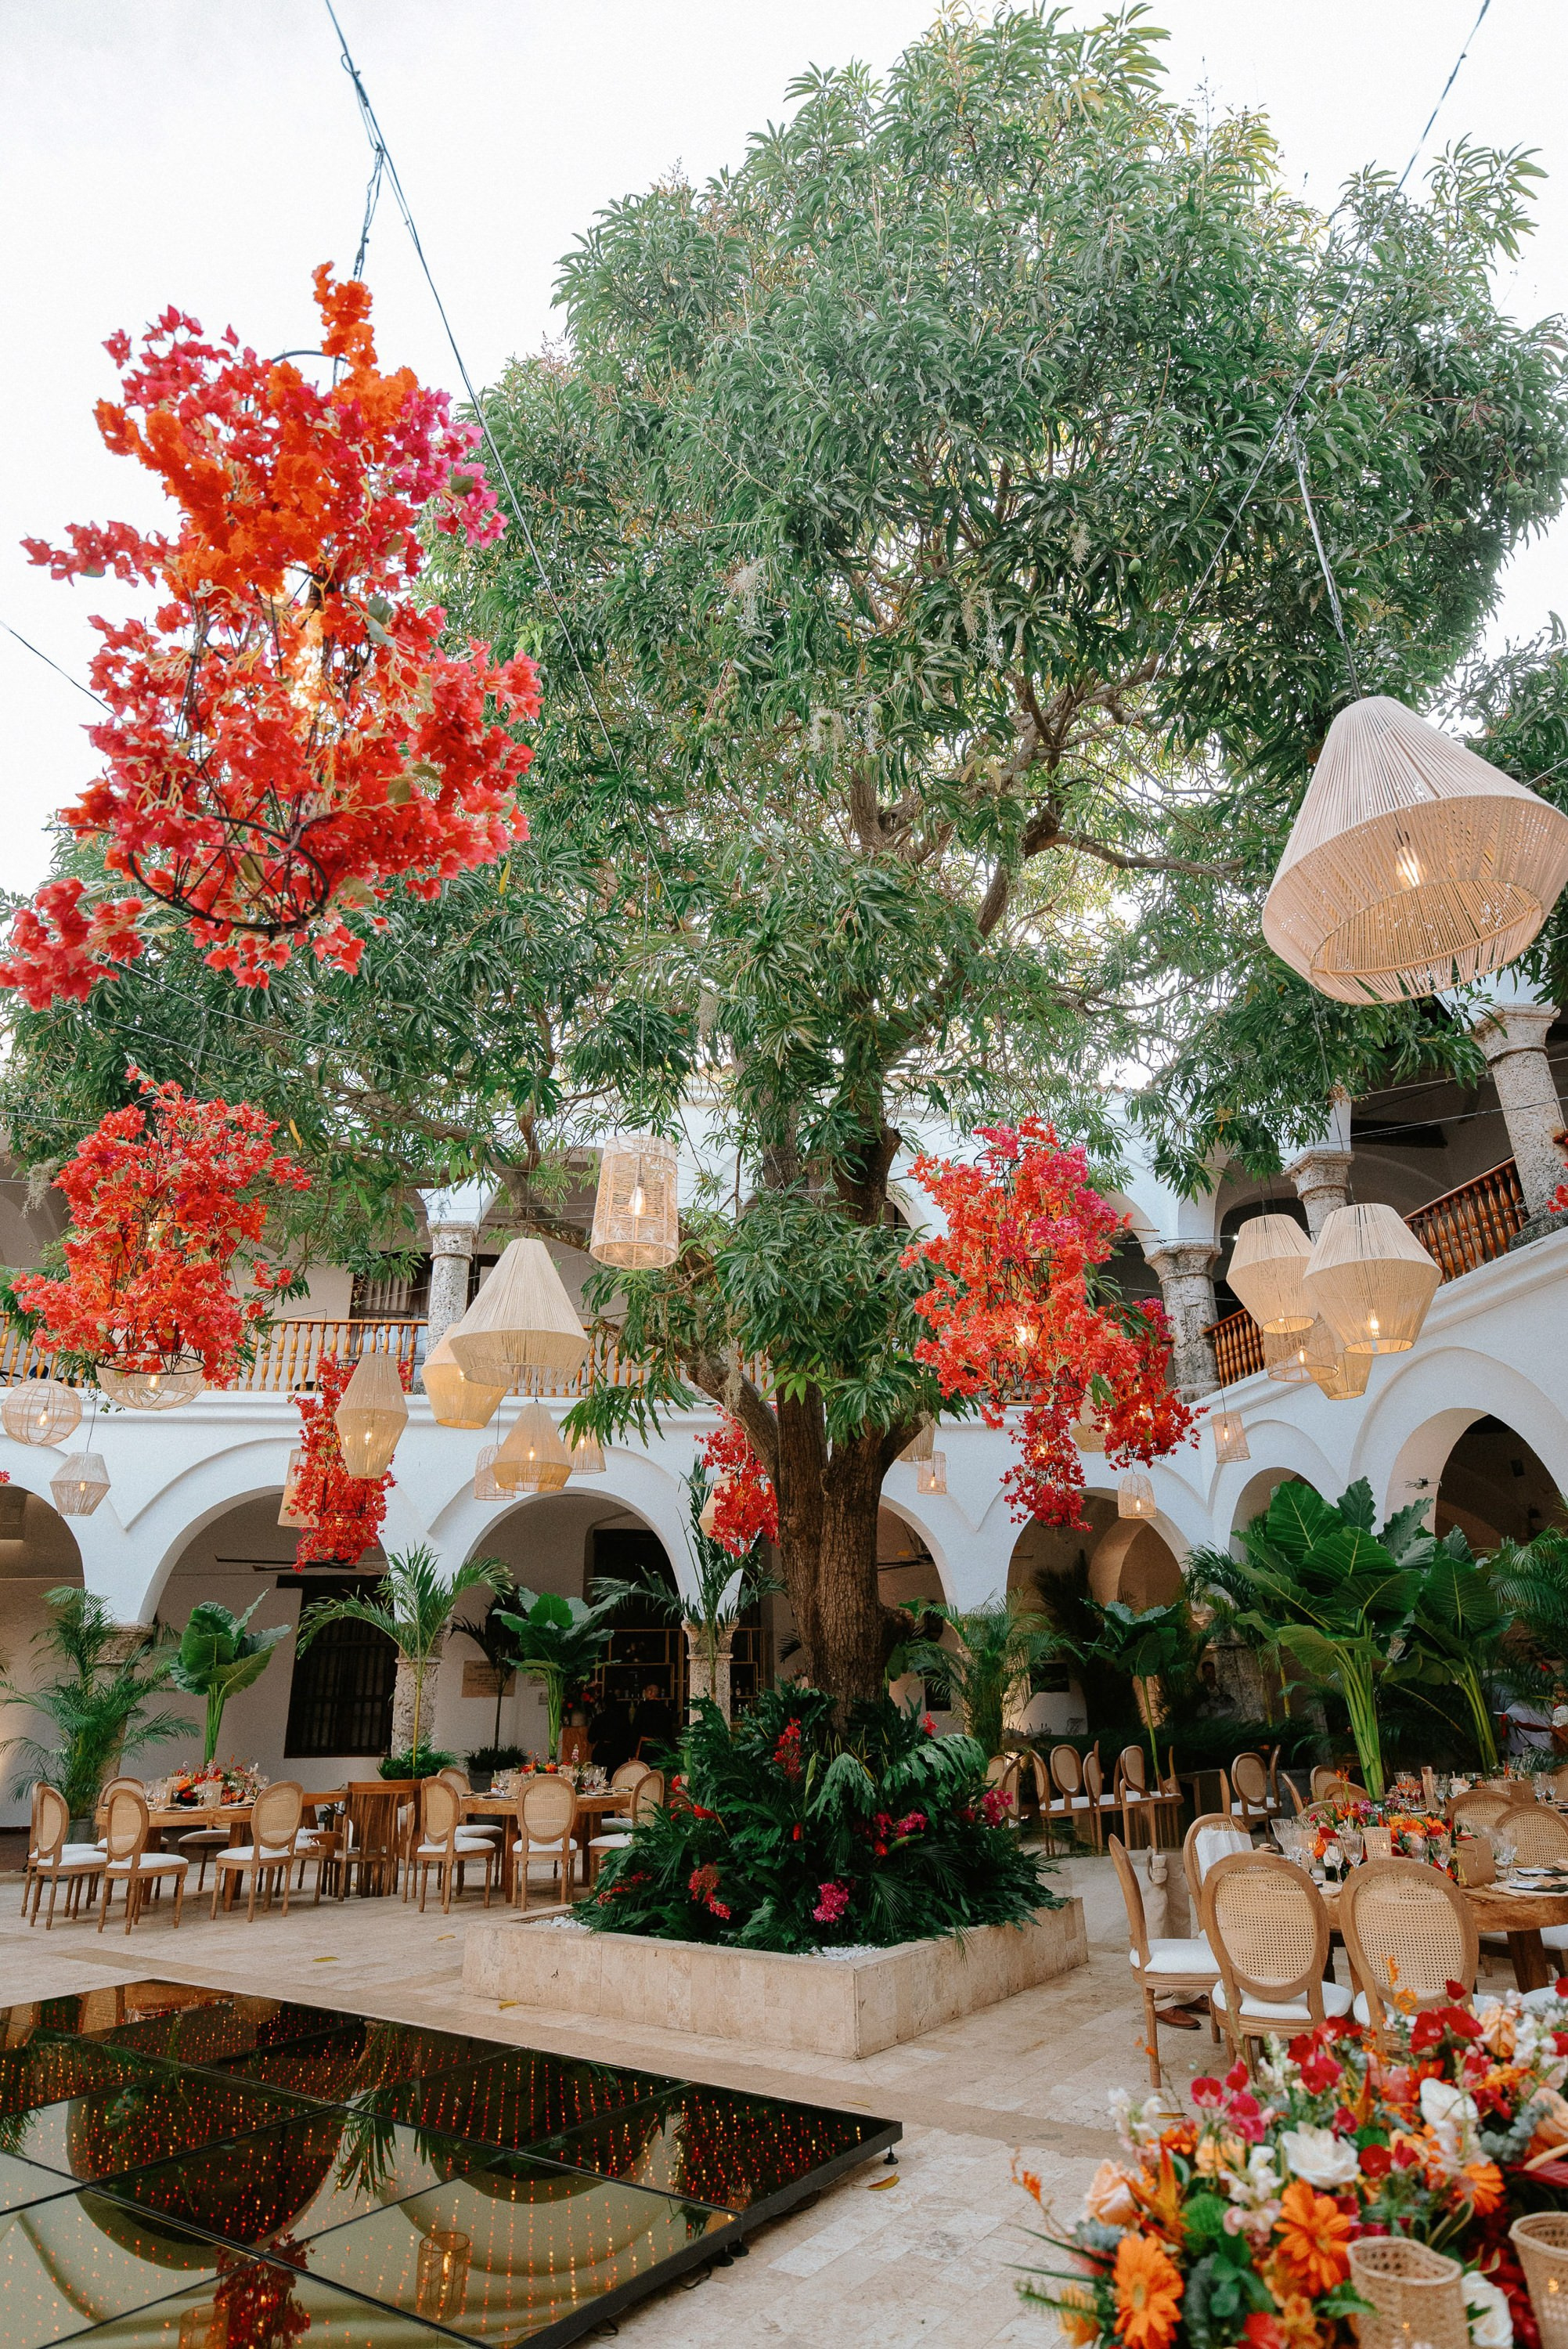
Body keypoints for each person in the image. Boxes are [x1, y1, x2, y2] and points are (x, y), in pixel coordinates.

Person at [629, 1677, 676, 1758]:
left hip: (645, 1746)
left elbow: (636, 1728)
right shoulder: (665, 1708)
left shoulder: (643, 1707)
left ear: (650, 1692)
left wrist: (632, 1751)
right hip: (661, 1746)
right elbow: (669, 1730)